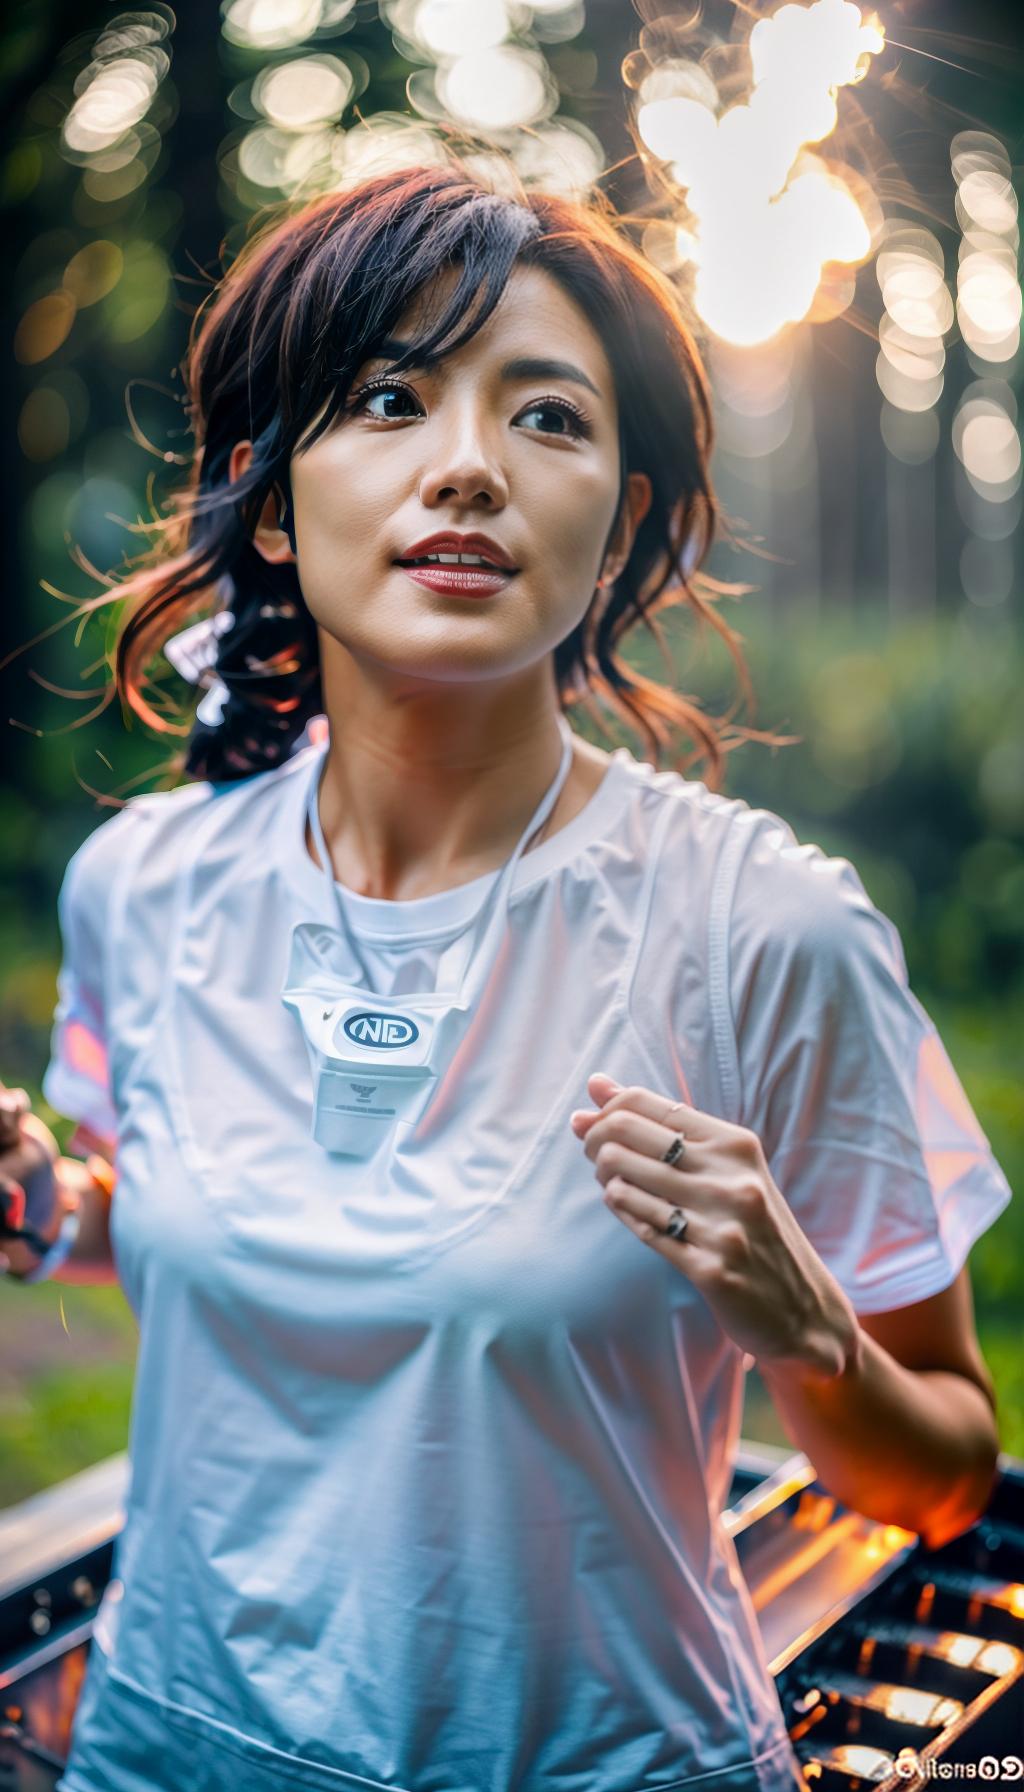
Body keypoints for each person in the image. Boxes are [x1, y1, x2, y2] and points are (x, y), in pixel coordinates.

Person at [2, 159, 1013, 1792]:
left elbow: (950, 1477)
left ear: (616, 512)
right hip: (159, 1750)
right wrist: (56, 1208)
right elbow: (202, 1218)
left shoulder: (770, 935)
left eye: (547, 417)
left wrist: (810, 1330)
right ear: (271, 492)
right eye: (390, 397)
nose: (468, 468)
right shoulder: (144, 887)